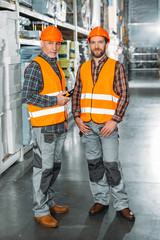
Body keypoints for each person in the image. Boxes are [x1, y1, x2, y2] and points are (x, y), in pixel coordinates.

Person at [72, 26, 135, 221]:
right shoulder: (83, 68)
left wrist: (115, 120)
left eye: (100, 42)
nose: (97, 46)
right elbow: (77, 94)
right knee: (94, 164)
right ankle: (100, 199)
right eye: (93, 42)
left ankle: (122, 204)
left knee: (111, 164)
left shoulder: (116, 67)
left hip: (107, 126)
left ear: (106, 44)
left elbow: (124, 95)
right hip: (87, 127)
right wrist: (77, 117)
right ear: (89, 44)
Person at [22, 26, 71, 228]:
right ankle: (40, 211)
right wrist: (55, 102)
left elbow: (57, 94)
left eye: (57, 43)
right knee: (43, 169)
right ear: (42, 43)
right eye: (50, 43)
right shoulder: (36, 66)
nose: (54, 47)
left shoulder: (56, 65)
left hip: (58, 125)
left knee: (54, 167)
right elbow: (28, 96)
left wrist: (64, 115)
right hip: (43, 128)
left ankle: (48, 202)